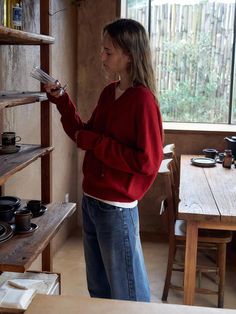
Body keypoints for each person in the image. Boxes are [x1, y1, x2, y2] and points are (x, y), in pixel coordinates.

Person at [45, 18, 163, 302]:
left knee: (128, 294)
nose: (102, 56)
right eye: (103, 50)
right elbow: (83, 133)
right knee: (99, 289)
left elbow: (148, 162)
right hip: (92, 202)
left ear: (130, 55)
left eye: (109, 51)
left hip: (116, 210)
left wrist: (98, 143)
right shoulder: (109, 93)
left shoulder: (143, 101)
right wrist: (62, 100)